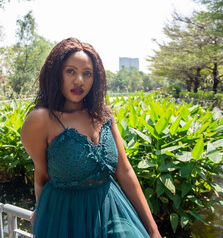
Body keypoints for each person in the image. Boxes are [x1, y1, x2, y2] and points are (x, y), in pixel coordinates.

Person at [21, 38, 161, 238]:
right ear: (56, 74)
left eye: (87, 74)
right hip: (65, 218)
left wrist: (153, 230)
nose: (79, 80)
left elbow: (125, 170)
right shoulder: (41, 120)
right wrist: (42, 214)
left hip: (111, 209)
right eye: (70, 71)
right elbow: (42, 176)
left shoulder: (103, 114)